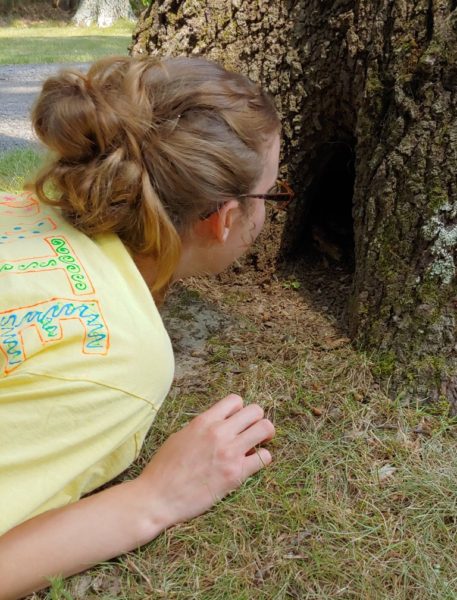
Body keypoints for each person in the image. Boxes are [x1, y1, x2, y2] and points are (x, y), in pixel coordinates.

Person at [0, 55, 286, 599]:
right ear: (223, 219)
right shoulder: (120, 361)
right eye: (272, 194)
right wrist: (152, 498)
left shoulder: (16, 206)